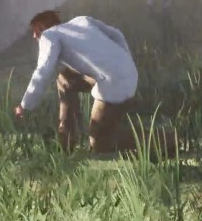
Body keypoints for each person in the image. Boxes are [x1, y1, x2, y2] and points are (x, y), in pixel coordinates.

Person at [13, 10, 140, 153]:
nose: (34, 35)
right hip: (127, 71)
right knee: (64, 80)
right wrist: (124, 60)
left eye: (36, 30)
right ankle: (66, 138)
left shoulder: (49, 35)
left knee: (99, 143)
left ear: (43, 27)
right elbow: (117, 34)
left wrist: (25, 105)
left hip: (115, 82)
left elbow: (43, 70)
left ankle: (160, 140)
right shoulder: (82, 20)